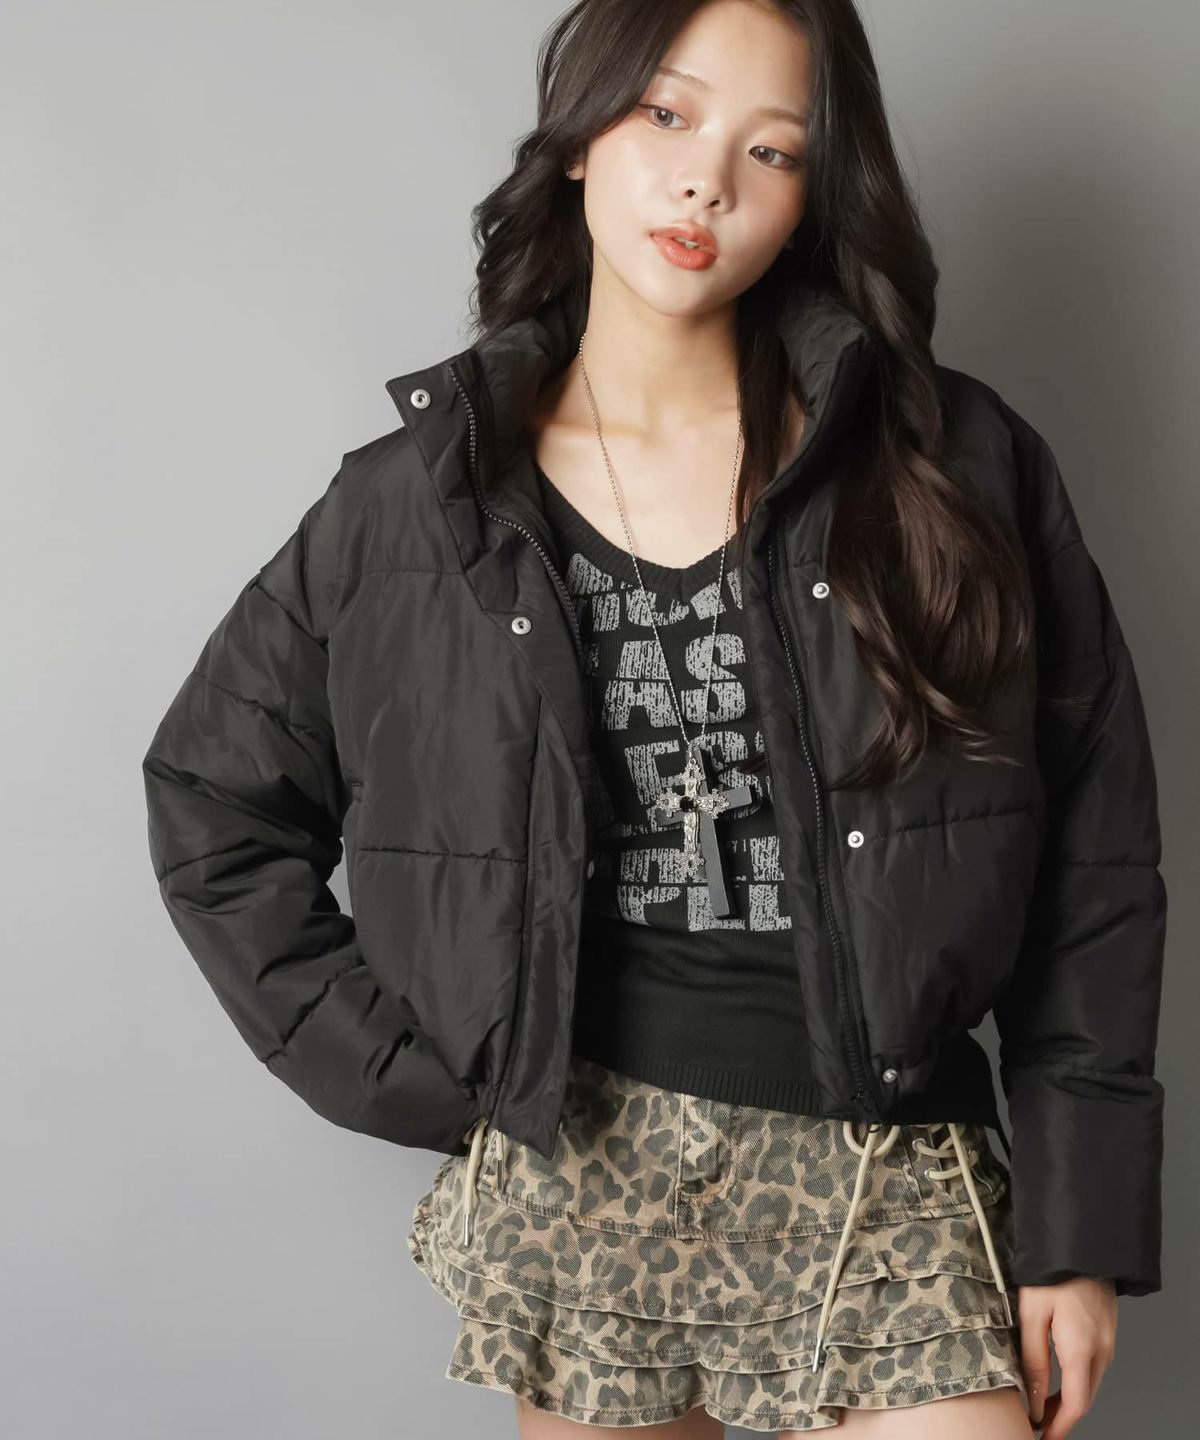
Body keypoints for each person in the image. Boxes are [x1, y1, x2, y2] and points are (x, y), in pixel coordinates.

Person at [141, 1, 1167, 1436]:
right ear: (579, 135)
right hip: (583, 1166)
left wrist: (1076, 1227)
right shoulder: (422, 500)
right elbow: (214, 796)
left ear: (814, 195)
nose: (706, 184)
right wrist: (424, 1076)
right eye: (666, 116)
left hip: (887, 1173)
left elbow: (1094, 861)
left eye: (773, 150)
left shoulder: (952, 465)